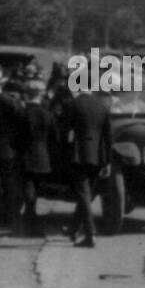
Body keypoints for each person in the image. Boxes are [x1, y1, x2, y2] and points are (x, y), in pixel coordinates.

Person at [61, 88, 112, 248]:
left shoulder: (72, 104)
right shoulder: (102, 106)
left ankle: (90, 234)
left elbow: (64, 131)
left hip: (79, 154)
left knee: (83, 195)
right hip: (97, 156)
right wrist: (107, 162)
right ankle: (73, 229)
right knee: (86, 195)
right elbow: (108, 136)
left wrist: (65, 150)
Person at [0, 67, 24, 229]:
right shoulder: (10, 102)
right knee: (9, 184)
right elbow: (22, 122)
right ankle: (10, 216)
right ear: (1, 83)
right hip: (9, 147)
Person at [18, 79, 57, 238]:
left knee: (27, 190)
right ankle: (31, 218)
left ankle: (29, 219)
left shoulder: (22, 113)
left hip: (25, 155)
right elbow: (54, 138)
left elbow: (16, 137)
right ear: (41, 95)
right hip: (43, 157)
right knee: (35, 191)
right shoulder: (47, 114)